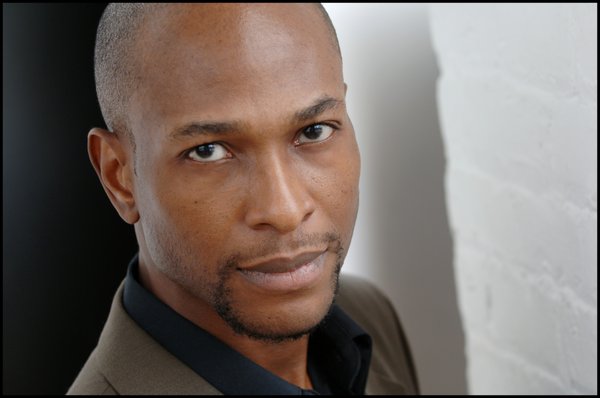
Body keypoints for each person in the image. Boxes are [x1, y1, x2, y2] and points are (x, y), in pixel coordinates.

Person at [68, 3, 419, 395]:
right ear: (120, 178)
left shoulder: (369, 315)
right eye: (209, 151)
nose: (284, 211)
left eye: (315, 130)